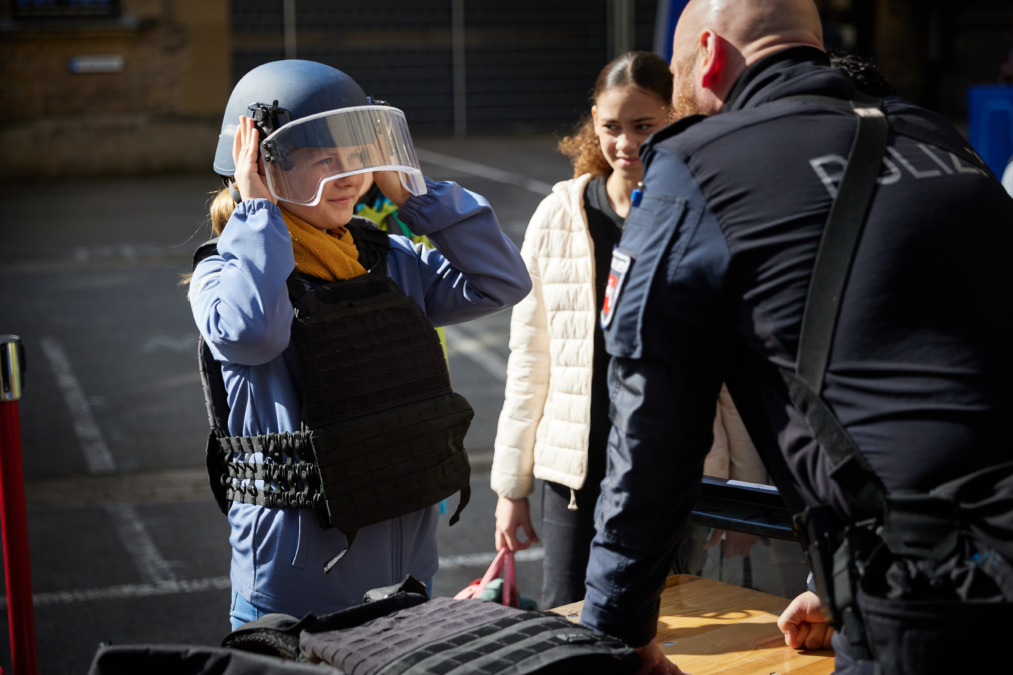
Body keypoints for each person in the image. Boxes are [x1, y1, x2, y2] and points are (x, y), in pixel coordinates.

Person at [579, 1, 1013, 674]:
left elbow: (652, 425)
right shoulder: (937, 137)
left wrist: (617, 623)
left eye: (680, 69)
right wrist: (829, 581)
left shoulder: (696, 167)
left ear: (711, 55)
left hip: (924, 587)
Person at [188, 59, 531, 630]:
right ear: (264, 170)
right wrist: (257, 216)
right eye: (325, 162)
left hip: (405, 573)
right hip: (295, 590)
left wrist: (416, 197)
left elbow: (502, 280)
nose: (348, 178)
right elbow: (254, 332)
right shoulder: (225, 274)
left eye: (356, 159)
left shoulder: (387, 260)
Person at [490, 51, 762, 610]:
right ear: (594, 120)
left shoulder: (702, 214)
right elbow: (530, 358)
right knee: (569, 625)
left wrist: (746, 496)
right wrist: (510, 488)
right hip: (573, 476)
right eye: (612, 126)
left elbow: (734, 367)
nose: (626, 144)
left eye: (645, 127)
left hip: (673, 472)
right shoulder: (558, 216)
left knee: (674, 626)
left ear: (677, 118)